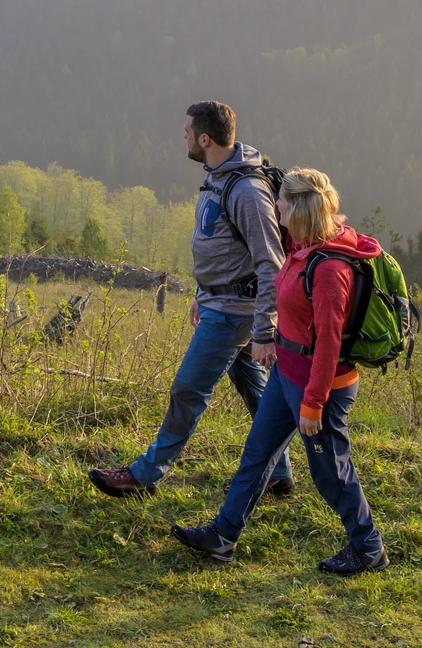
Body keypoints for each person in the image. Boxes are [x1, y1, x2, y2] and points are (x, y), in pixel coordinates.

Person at [170, 167, 390, 575]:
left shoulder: (329, 270)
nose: (276, 206)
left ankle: (368, 547)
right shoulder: (302, 244)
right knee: (257, 455)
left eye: (283, 201)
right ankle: (223, 536)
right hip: (287, 375)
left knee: (330, 471)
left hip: (318, 387)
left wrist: (313, 403)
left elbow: (327, 343)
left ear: (301, 208)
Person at [89, 101, 293, 498]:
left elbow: (271, 265)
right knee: (252, 384)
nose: (181, 135)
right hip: (221, 302)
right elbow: (219, 245)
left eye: (186, 130)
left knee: (187, 390)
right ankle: (279, 471)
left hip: (234, 312)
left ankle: (145, 475)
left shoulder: (247, 191)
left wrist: (266, 330)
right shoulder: (219, 176)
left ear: (205, 138)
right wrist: (204, 291)